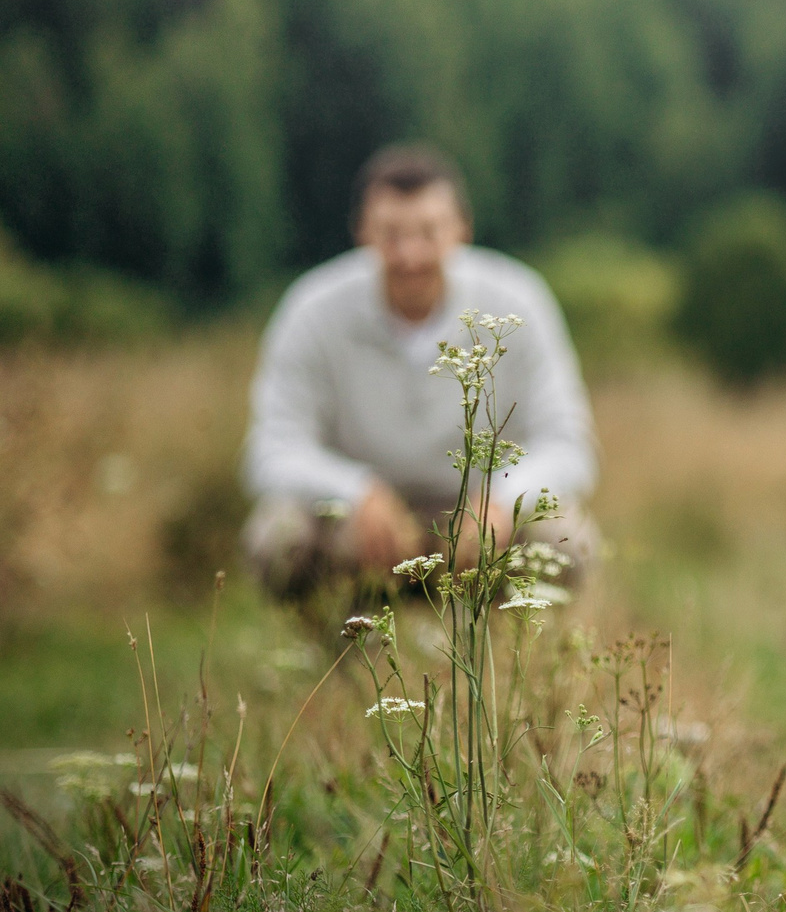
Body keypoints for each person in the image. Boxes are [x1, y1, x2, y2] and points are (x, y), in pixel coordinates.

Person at [241, 144, 598, 599]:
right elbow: (270, 451)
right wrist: (355, 492)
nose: (409, 254)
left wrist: (504, 501)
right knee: (278, 536)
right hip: (358, 519)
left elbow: (569, 446)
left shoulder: (519, 300)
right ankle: (332, 658)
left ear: (461, 230)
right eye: (391, 234)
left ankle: (511, 660)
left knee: (565, 538)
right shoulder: (311, 309)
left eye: (428, 232)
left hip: (480, 511)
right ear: (362, 231)